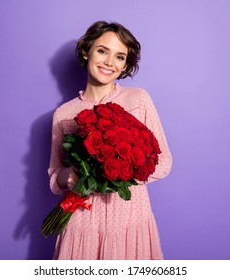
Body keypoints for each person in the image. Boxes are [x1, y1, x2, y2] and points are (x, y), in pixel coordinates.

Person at [48, 21, 172, 260]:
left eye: (120, 57)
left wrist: (120, 171)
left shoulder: (138, 100)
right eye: (102, 51)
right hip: (82, 223)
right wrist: (68, 177)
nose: (109, 62)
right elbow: (55, 175)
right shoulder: (63, 114)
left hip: (130, 220)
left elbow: (164, 161)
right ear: (86, 51)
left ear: (125, 64)